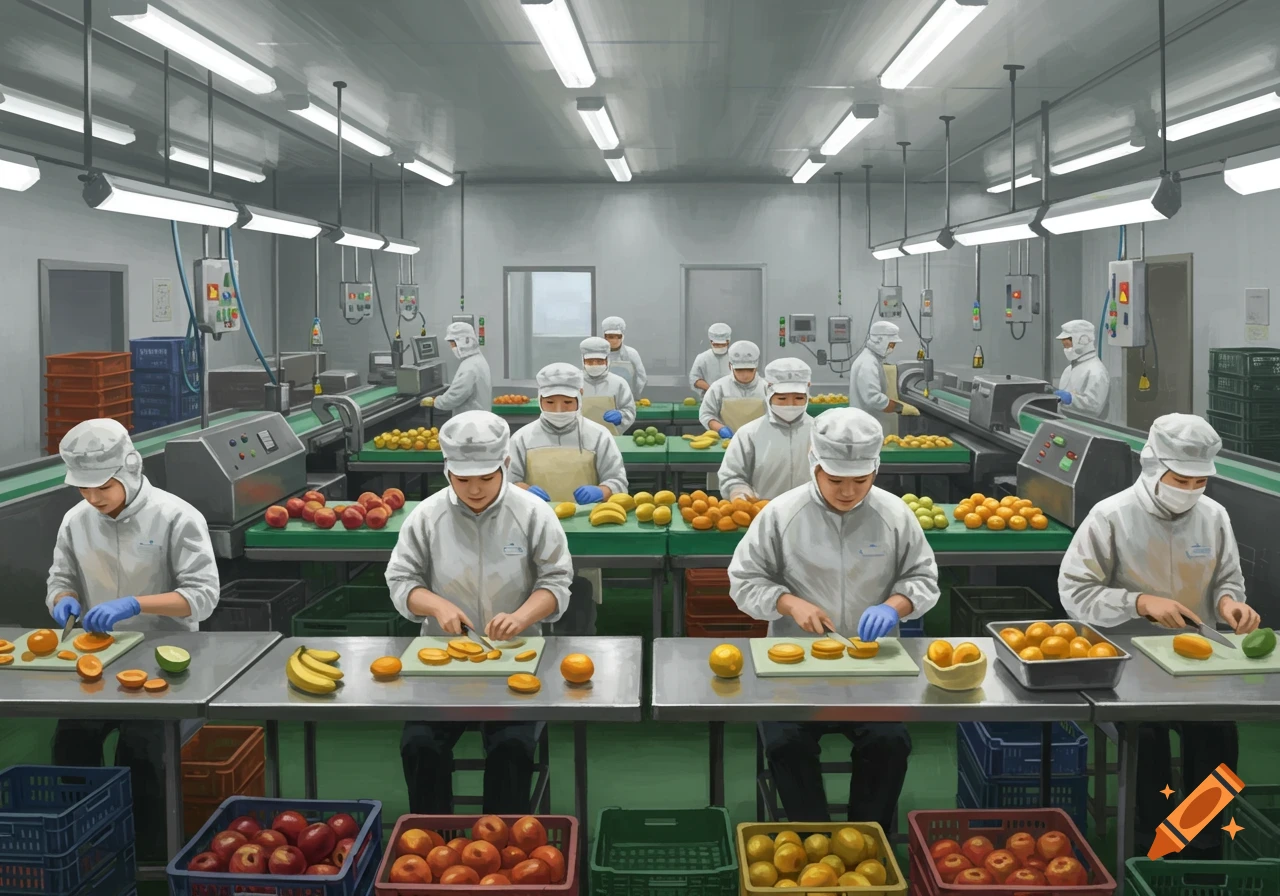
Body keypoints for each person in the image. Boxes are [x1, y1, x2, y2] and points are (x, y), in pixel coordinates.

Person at [1058, 413, 1256, 860]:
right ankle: (1154, 841)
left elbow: (1228, 579)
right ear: (1152, 467)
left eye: (1198, 481)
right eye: (1178, 479)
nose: (1188, 490)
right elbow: (1075, 591)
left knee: (1218, 735)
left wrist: (1229, 605)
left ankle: (1204, 841)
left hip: (1199, 662)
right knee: (1146, 738)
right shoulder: (1110, 516)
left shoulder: (1214, 516)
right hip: (1127, 664)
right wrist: (1139, 603)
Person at [729, 408, 939, 826]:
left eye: (860, 481)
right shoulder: (781, 514)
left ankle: (867, 835)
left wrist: (894, 606)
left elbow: (923, 578)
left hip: (873, 666)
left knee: (889, 741)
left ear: (876, 469)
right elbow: (744, 581)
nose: (848, 492)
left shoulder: (895, 516)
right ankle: (815, 837)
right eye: (836, 480)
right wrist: (789, 603)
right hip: (795, 666)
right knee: (786, 742)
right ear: (815, 465)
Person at [46, 418, 220, 861]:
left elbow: (202, 597)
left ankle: (149, 860)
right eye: (82, 489)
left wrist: (137, 604)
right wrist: (62, 599)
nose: (92, 498)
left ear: (129, 469)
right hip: (98, 664)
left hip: (165, 664)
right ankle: (82, 848)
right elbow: (60, 577)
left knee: (141, 754)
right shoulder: (76, 520)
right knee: (71, 743)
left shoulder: (177, 516)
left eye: (100, 486)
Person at [387, 411, 573, 813]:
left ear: (505, 464)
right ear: (447, 470)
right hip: (442, 661)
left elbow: (556, 582)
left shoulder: (533, 513)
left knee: (511, 747)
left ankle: (504, 845)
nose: (474, 489)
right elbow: (402, 580)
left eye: (486, 478)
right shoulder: (427, 516)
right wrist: (436, 604)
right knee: (419, 745)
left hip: (517, 658)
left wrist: (522, 616)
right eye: (463, 479)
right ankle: (432, 844)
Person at [509, 363, 628, 633]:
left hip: (585, 526)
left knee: (578, 589)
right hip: (533, 527)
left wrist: (602, 491)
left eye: (567, 402)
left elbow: (618, 480)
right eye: (550, 402)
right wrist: (523, 488)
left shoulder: (599, 436)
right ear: (539, 400)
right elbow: (506, 480)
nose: (559, 410)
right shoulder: (522, 438)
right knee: (533, 586)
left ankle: (580, 634)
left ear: (580, 397)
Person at [718, 357, 814, 501]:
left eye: (799, 398)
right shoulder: (749, 434)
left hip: (811, 517)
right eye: (781, 399)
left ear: (808, 391)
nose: (790, 405)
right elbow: (732, 475)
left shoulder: (821, 433)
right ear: (768, 391)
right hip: (763, 515)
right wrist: (740, 495)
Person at [848, 321, 919, 422]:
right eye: (891, 344)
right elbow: (873, 398)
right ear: (879, 340)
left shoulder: (873, 360)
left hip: (868, 421)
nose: (892, 348)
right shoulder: (868, 363)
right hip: (866, 423)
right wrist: (901, 408)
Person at [422, 320, 491, 415]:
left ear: (465, 341)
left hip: (470, 420)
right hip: (480, 416)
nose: (452, 347)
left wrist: (435, 401)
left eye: (453, 343)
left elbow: (455, 396)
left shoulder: (469, 366)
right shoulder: (478, 359)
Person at [700, 340, 767, 437]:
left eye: (749, 370)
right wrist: (720, 429)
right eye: (739, 370)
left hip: (759, 442)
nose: (744, 375)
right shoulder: (719, 388)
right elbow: (706, 414)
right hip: (727, 443)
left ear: (756, 367)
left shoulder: (766, 388)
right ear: (730, 366)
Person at [580, 336, 636, 434]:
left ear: (607, 360)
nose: (594, 365)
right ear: (583, 361)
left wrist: (621, 416)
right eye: (590, 361)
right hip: (579, 436)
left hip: (610, 438)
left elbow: (630, 410)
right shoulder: (575, 382)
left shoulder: (618, 383)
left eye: (599, 361)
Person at [1055, 319, 1110, 418]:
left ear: (1083, 340)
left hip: (1087, 428)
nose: (1066, 350)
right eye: (1064, 346)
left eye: (1068, 345)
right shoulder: (1068, 370)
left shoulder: (1096, 371)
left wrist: (1071, 399)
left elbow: (1094, 407)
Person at [601, 315, 648, 397]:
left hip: (627, 396)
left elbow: (641, 377)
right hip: (603, 397)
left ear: (622, 336)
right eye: (610, 336)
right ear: (604, 336)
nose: (614, 340)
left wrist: (634, 396)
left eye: (618, 336)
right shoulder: (599, 354)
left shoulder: (631, 353)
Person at [689, 322, 733, 397]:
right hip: (708, 399)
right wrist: (711, 389)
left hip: (732, 399)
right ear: (711, 341)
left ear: (728, 341)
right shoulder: (702, 358)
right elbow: (694, 378)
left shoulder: (734, 357)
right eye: (716, 344)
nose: (719, 347)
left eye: (723, 344)